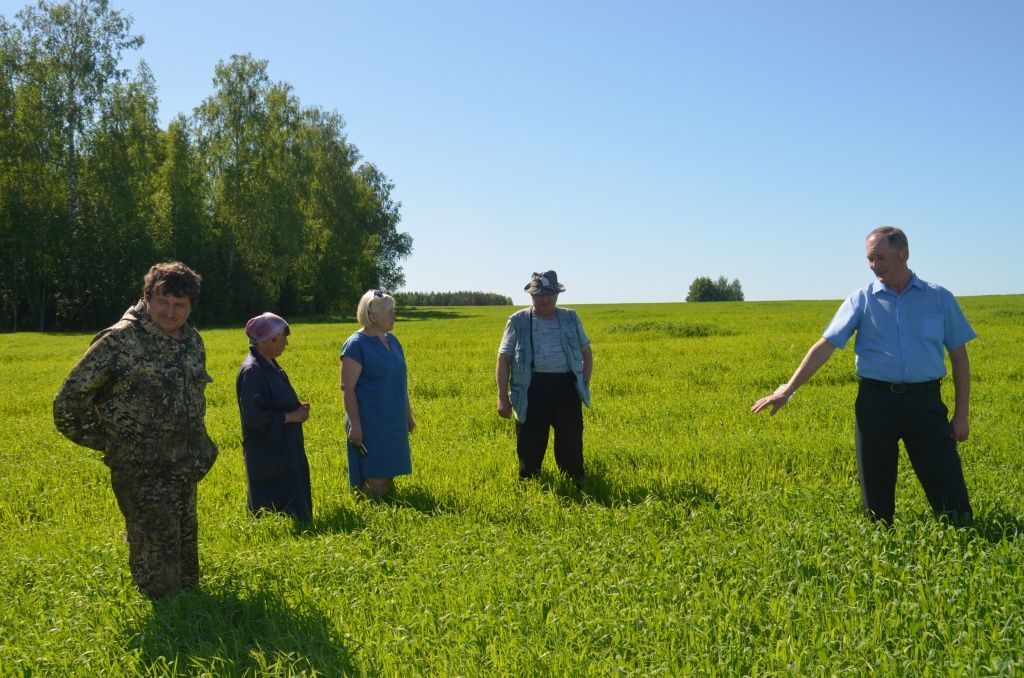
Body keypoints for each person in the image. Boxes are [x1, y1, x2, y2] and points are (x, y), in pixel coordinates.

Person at [751, 227, 975, 524]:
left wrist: (961, 416)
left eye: (880, 257)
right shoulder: (861, 300)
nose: (874, 265)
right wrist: (788, 389)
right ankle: (882, 546)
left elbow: (960, 360)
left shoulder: (939, 298)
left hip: (926, 402)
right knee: (876, 505)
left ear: (903, 253)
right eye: (869, 259)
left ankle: (958, 532)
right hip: (876, 403)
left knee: (955, 505)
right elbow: (824, 347)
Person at [53, 262, 218, 598]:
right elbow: (68, 404)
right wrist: (113, 440)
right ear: (147, 296)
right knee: (159, 565)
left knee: (186, 563)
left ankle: (192, 620)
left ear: (190, 306)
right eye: (163, 301)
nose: (170, 312)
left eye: (179, 305)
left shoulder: (191, 340)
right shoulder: (119, 341)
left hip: (184, 468)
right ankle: (167, 632)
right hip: (140, 471)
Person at [496, 270, 593, 483]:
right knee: (530, 442)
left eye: (549, 293)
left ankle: (574, 483)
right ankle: (529, 483)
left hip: (567, 387)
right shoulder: (518, 320)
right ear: (531, 296)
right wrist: (502, 397)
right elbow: (504, 359)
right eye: (538, 295)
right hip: (531, 387)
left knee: (570, 441)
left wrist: (583, 384)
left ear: (557, 294)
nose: (545, 299)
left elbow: (587, 351)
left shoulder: (570, 317)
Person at [236, 312, 313, 523]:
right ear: (268, 339)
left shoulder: (270, 364)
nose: (286, 343)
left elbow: (274, 400)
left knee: (294, 503)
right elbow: (255, 417)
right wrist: (291, 416)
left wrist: (296, 407)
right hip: (267, 454)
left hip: (284, 448)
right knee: (272, 510)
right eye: (283, 337)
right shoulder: (252, 370)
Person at [340, 290, 415, 498]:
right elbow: (348, 388)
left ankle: (388, 516)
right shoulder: (355, 345)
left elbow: (400, 381)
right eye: (389, 312)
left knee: (389, 474)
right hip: (370, 421)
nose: (394, 316)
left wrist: (407, 414)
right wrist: (355, 425)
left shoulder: (393, 341)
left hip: (393, 418)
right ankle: (370, 519)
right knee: (375, 477)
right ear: (371, 316)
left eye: (393, 311)